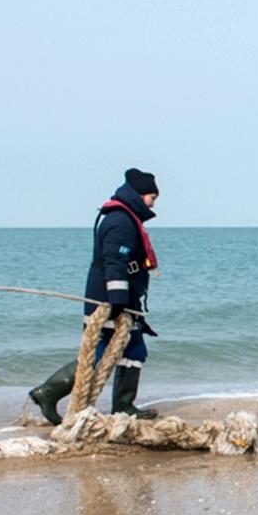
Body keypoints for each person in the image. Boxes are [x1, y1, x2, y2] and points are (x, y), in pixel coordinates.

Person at [29, 168, 165, 423]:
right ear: (139, 195)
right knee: (100, 351)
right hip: (110, 299)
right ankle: (47, 392)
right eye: (152, 197)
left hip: (125, 299)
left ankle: (124, 406)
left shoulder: (124, 216)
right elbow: (115, 260)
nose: (153, 203)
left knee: (134, 349)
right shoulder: (120, 221)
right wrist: (117, 300)